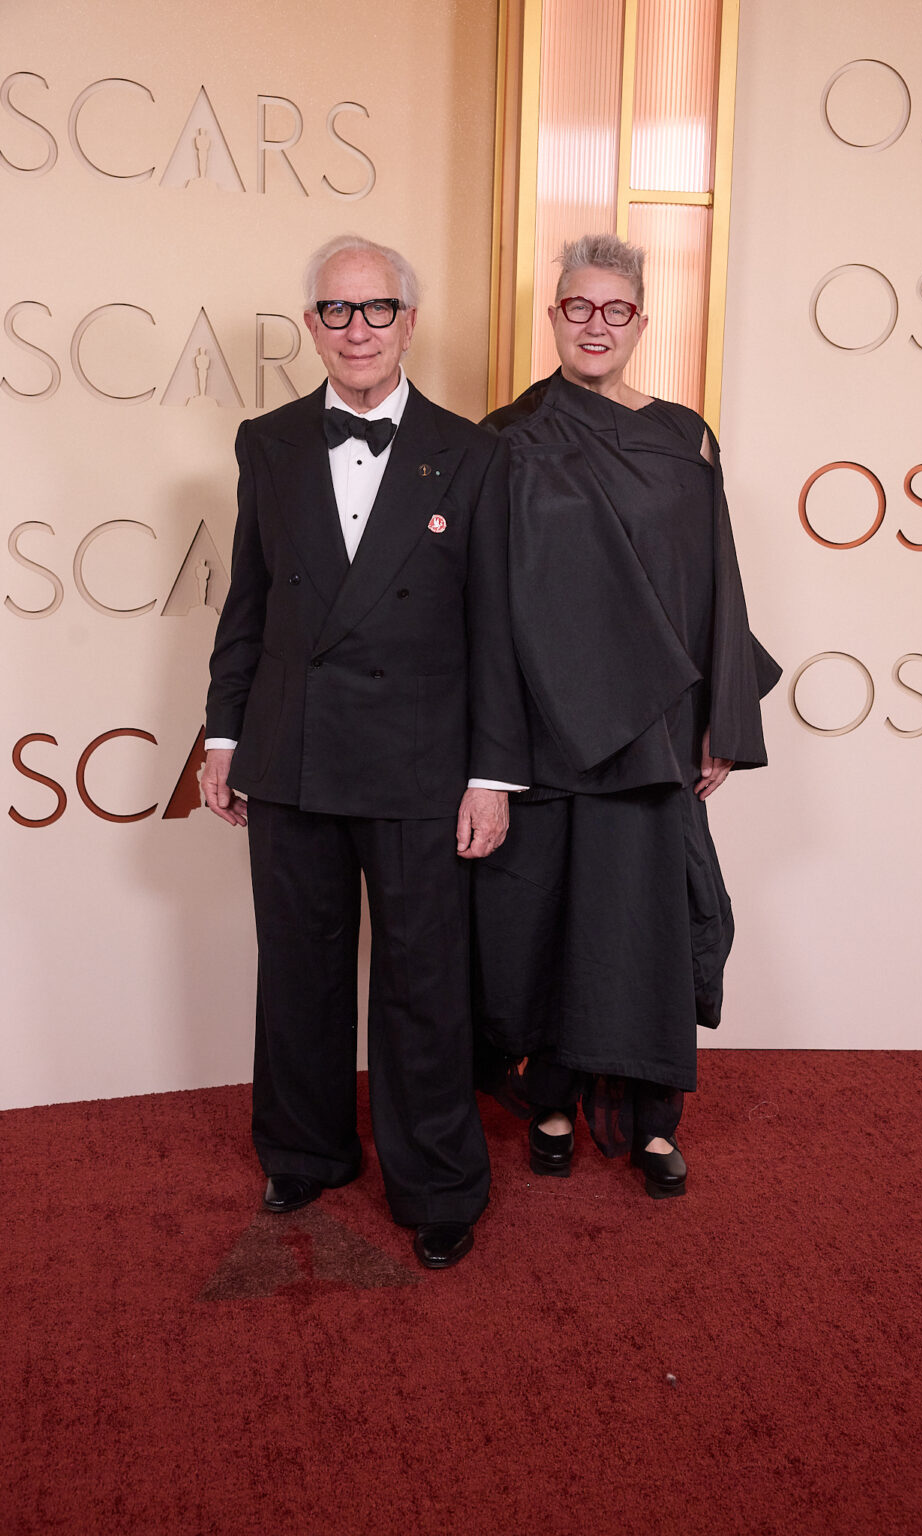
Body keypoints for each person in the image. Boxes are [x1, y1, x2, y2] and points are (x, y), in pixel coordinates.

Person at [202, 234, 528, 1269]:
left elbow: (497, 628)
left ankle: (435, 1182)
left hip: (422, 761)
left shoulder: (471, 451)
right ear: (312, 326)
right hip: (290, 750)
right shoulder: (267, 441)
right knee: (296, 970)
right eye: (336, 312)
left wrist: (491, 773)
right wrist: (221, 734)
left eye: (375, 310)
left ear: (408, 322)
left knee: (422, 982)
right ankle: (303, 1150)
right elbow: (246, 603)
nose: (356, 330)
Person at [473, 232, 780, 1198]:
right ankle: (555, 1102)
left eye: (615, 309)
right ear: (553, 314)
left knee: (642, 927)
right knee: (551, 921)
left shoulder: (686, 435)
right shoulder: (505, 435)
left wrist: (718, 720)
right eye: (577, 307)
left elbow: (716, 584)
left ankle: (652, 1124)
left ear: (641, 319)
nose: (595, 324)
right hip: (548, 724)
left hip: (652, 730)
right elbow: (485, 596)